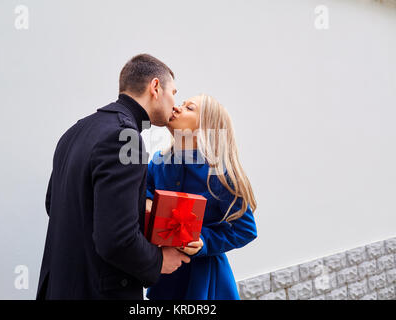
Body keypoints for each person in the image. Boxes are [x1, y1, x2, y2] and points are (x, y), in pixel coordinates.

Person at [36, 54, 191, 300]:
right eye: (173, 92)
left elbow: (53, 205)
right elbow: (117, 238)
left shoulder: (76, 129)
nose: (175, 104)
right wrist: (159, 260)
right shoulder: (126, 138)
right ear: (155, 87)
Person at [145, 94, 258, 300]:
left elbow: (245, 230)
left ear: (205, 127)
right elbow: (144, 189)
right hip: (164, 278)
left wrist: (204, 241)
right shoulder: (158, 162)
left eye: (189, 108)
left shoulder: (220, 176)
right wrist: (148, 201)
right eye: (180, 104)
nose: (177, 108)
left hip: (206, 284)